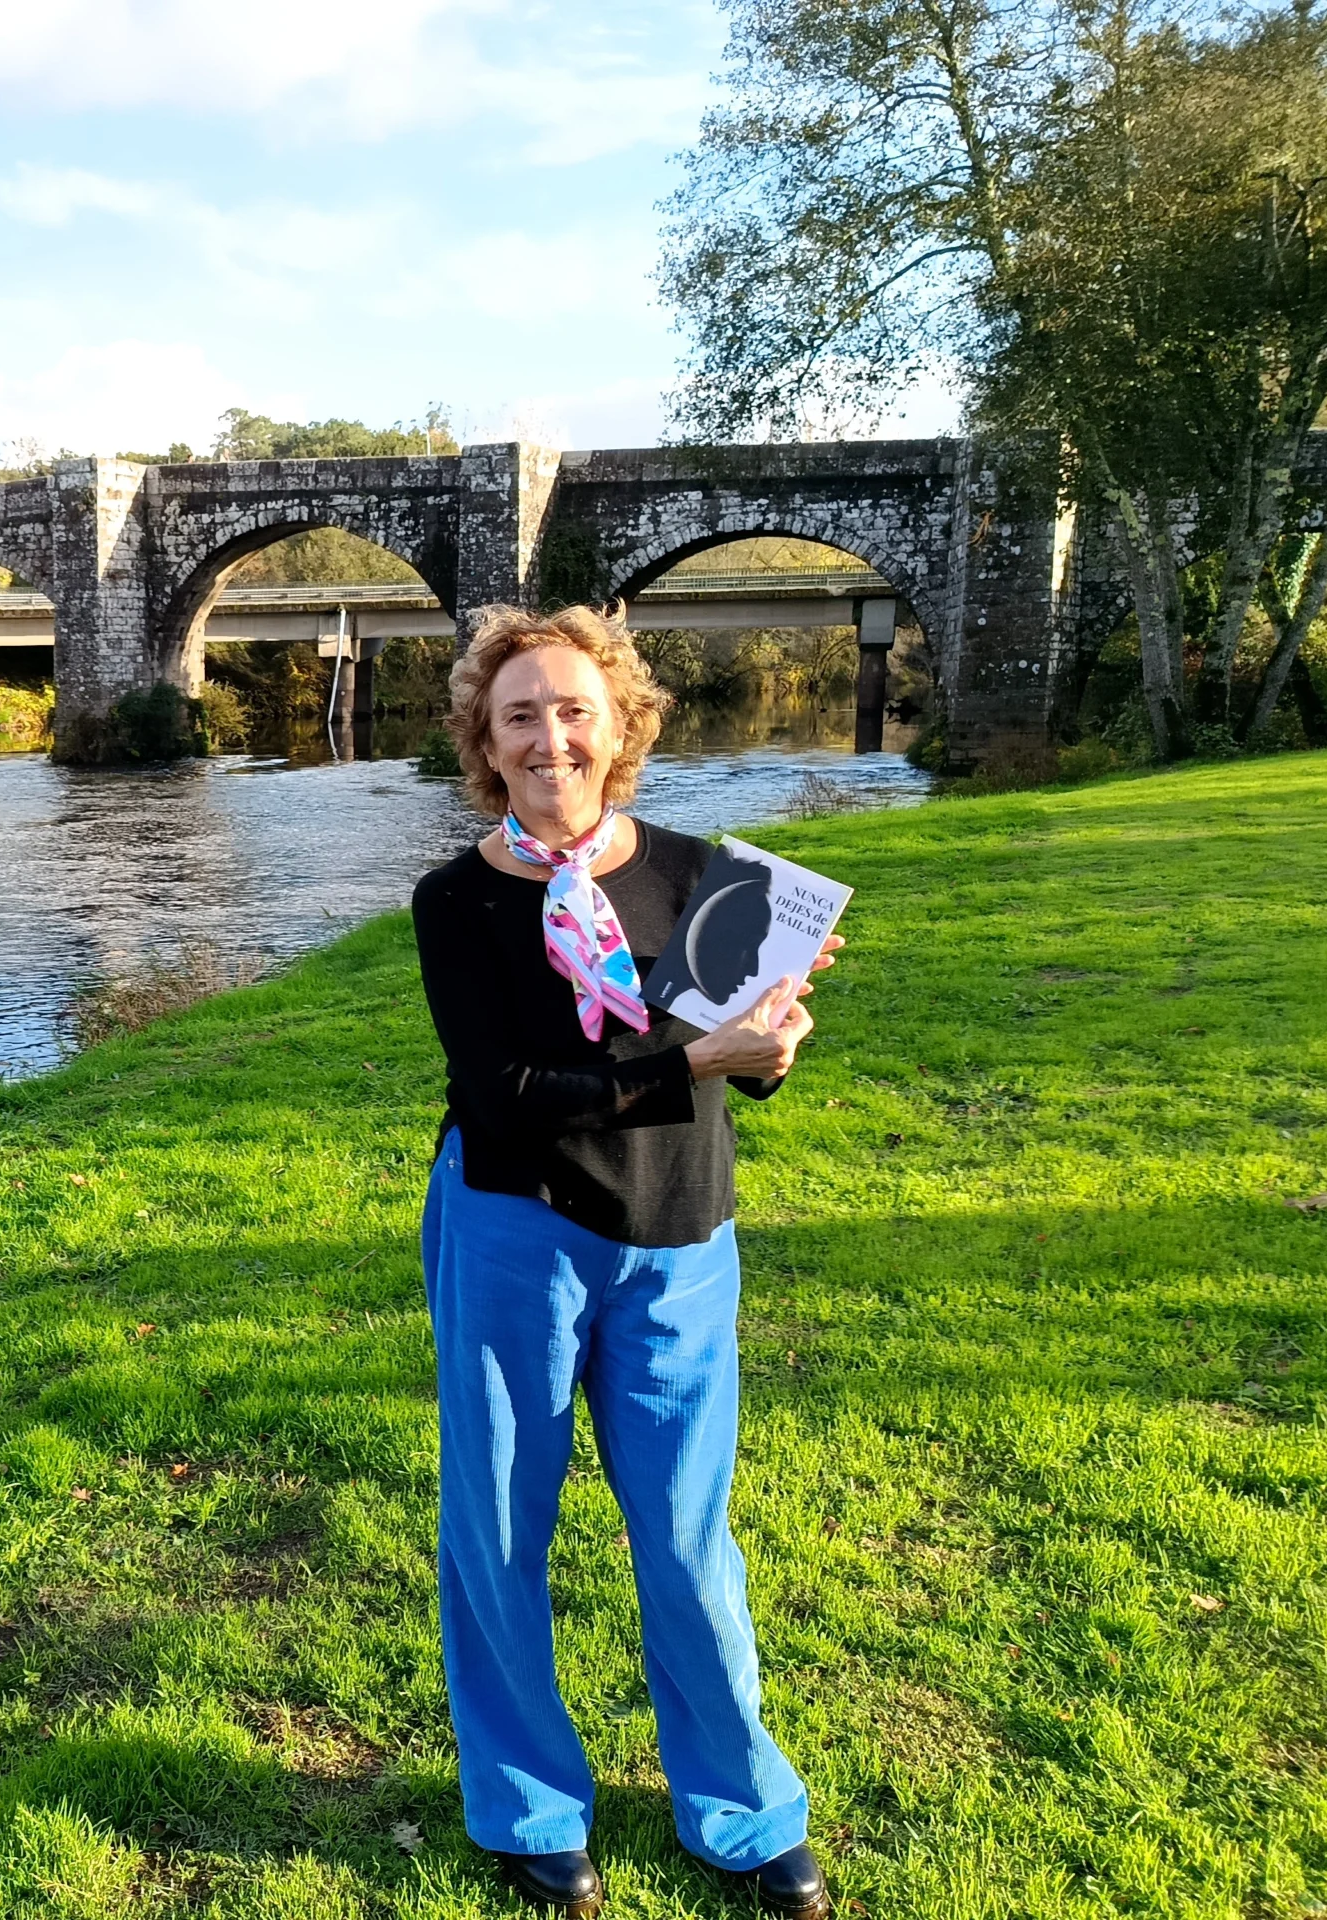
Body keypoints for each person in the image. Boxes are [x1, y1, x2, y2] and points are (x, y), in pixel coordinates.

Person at [409, 604, 841, 1918]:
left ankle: (741, 1810)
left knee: (686, 1536)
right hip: (510, 1225)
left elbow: (735, 1072)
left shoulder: (715, 877)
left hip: (674, 1233)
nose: (551, 735)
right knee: (497, 1525)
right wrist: (700, 1058)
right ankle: (530, 1805)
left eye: (574, 708)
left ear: (623, 724)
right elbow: (504, 1094)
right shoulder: (457, 899)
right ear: (486, 741)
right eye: (521, 713)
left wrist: (769, 1047)